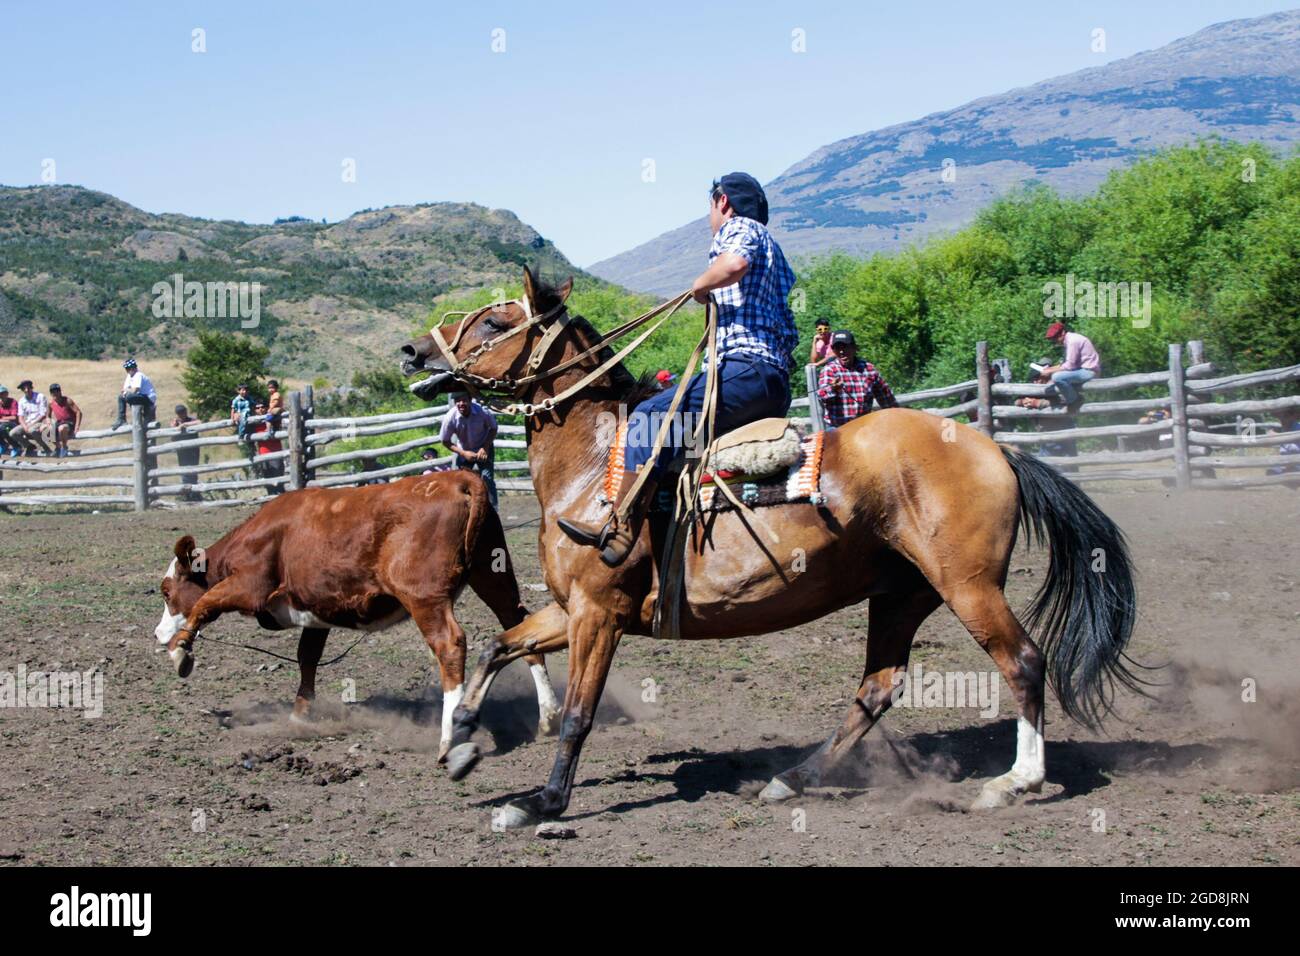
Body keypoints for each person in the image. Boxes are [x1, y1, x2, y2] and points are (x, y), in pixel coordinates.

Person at [559, 171, 796, 566]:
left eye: (711, 206)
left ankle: (620, 528)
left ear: (722, 202)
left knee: (647, 418)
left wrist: (701, 286)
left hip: (742, 371)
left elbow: (734, 263)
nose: (711, 216)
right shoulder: (777, 254)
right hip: (770, 381)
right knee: (680, 442)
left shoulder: (740, 227)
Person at [815, 331, 898, 428]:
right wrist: (833, 389)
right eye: (837, 348)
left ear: (854, 348)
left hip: (864, 426)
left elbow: (886, 398)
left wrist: (897, 416)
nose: (841, 351)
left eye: (845, 347)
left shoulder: (869, 369)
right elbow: (821, 396)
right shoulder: (829, 370)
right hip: (838, 427)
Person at [439, 391, 498, 507]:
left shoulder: (482, 411)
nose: (461, 404)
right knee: (460, 482)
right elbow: (444, 440)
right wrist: (463, 453)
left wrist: (485, 448)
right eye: (457, 401)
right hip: (464, 450)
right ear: (454, 402)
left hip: (484, 447)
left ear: (470, 400)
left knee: (487, 479)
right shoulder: (450, 418)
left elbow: (493, 428)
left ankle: (493, 510)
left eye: (464, 400)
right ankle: (461, 509)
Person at [1041, 322, 1101, 407]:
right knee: (1054, 378)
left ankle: (1074, 400)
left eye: (1055, 337)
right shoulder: (1069, 340)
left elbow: (1069, 366)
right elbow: (1064, 364)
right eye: (1053, 338)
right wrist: (1048, 369)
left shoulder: (1072, 341)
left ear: (1062, 332)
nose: (1054, 340)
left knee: (1057, 377)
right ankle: (1070, 398)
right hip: (1082, 370)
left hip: (1089, 371)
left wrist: (1050, 371)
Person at [12, 380, 52, 456]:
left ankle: (46, 448)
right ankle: (29, 446)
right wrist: (24, 426)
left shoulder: (40, 396)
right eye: (24, 388)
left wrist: (31, 425)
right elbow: (20, 417)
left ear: (31, 387)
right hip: (27, 423)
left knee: (32, 430)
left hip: (39, 422)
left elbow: (43, 414)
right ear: (22, 390)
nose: (26, 390)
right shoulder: (22, 401)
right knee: (13, 433)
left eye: (28, 388)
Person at [170, 404, 202, 498]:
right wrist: (175, 427)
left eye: (183, 412)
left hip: (193, 450)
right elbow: (172, 435)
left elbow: (199, 422)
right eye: (179, 413)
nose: (181, 414)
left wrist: (184, 424)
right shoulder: (175, 422)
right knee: (184, 472)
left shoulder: (190, 420)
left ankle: (195, 493)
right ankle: (187, 494)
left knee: (193, 471)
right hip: (182, 451)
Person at [114, 358, 157, 429]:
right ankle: (121, 419)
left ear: (133, 368)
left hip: (148, 398)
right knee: (121, 397)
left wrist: (126, 390)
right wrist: (126, 391)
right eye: (126, 369)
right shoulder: (129, 376)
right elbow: (124, 391)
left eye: (128, 369)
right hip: (139, 396)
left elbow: (135, 390)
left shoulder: (138, 375)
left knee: (129, 396)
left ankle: (140, 414)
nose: (127, 371)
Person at [250, 400, 284, 485]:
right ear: (255, 410)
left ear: (266, 408)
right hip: (263, 454)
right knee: (268, 480)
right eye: (257, 408)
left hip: (275, 453)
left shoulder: (273, 418)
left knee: (278, 480)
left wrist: (274, 410)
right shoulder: (253, 422)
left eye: (262, 407)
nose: (260, 409)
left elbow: (282, 411)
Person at [45, 384, 82, 457]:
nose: (55, 393)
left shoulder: (67, 400)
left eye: (57, 391)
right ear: (50, 393)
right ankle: (58, 447)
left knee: (61, 428)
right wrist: (48, 421)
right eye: (53, 392)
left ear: (60, 391)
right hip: (59, 422)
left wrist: (77, 426)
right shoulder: (50, 403)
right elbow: (48, 416)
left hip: (69, 422)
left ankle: (64, 447)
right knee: (44, 430)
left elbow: (78, 412)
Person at [0, 386, 20, 457]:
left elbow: (14, 417)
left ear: (7, 394)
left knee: (2, 428)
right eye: (0, 394)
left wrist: (2, 418)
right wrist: (3, 419)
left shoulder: (13, 402)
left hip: (14, 424)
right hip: (3, 423)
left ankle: (16, 446)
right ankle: (3, 444)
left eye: (3, 393)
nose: (1, 396)